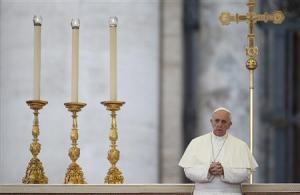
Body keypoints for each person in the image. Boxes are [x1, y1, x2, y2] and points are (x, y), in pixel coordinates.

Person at [178, 107, 258, 195]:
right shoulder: (196, 142)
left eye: (223, 121)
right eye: (217, 120)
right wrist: (208, 170)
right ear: (211, 122)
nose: (219, 124)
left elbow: (245, 173)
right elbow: (188, 171)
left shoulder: (241, 145)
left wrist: (224, 170)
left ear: (229, 124)